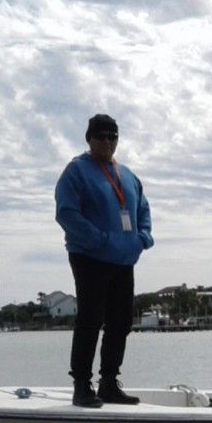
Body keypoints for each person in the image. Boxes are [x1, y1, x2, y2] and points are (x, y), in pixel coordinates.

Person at [55, 114, 153, 407]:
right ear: (89, 139)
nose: (108, 142)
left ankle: (108, 383)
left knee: (121, 323)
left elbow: (143, 209)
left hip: (123, 259)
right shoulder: (76, 171)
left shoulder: (128, 174)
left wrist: (142, 238)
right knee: (90, 320)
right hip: (89, 256)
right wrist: (99, 239)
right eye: (101, 136)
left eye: (113, 137)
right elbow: (66, 213)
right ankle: (81, 385)